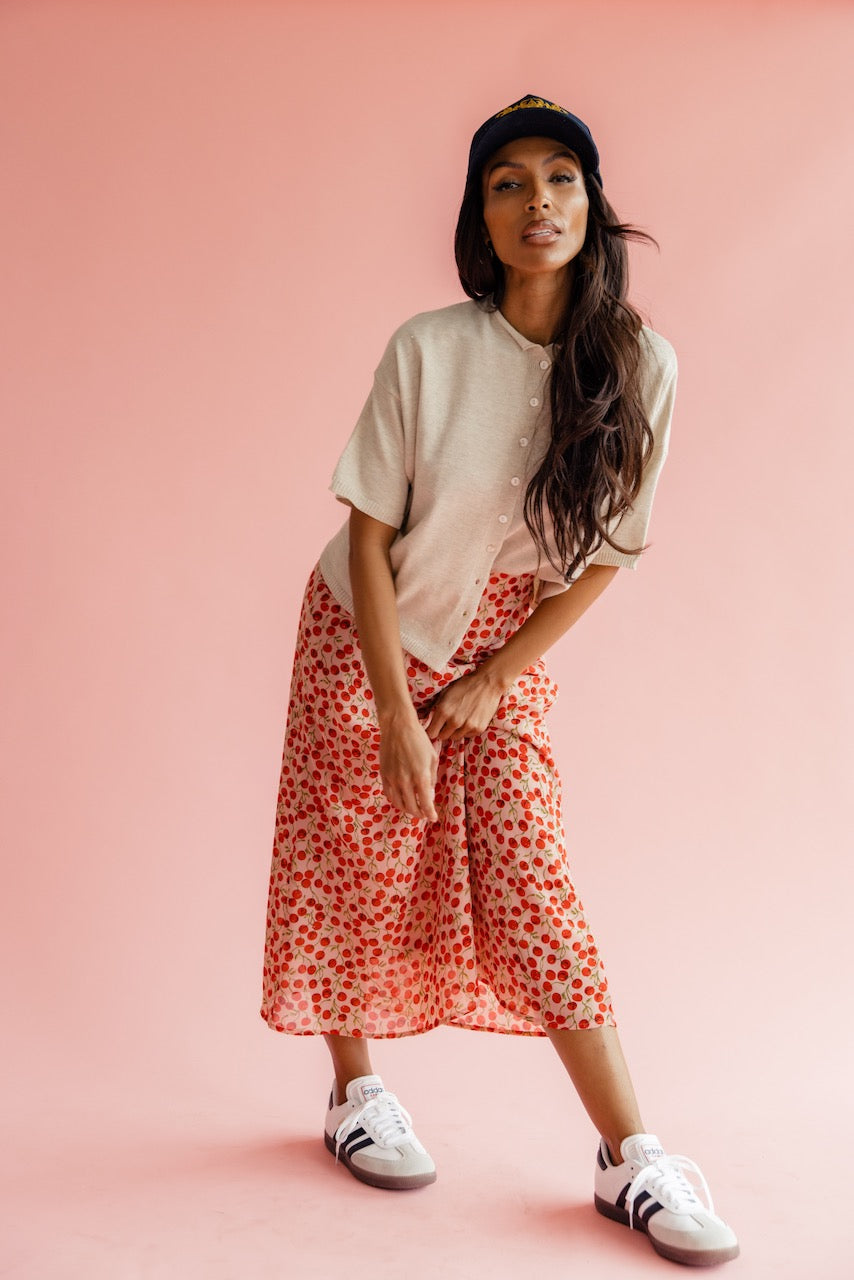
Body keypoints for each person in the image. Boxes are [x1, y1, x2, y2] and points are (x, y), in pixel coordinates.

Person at [260, 93, 739, 1267]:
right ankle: (355, 1091)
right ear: (480, 215)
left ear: (592, 204)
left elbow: (611, 552)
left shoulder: (640, 366)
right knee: (355, 854)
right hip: (368, 626)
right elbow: (369, 531)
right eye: (507, 182)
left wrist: (490, 681)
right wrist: (395, 708)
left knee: (534, 883)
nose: (538, 201)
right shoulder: (428, 348)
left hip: (502, 645)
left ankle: (631, 1155)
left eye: (561, 177)